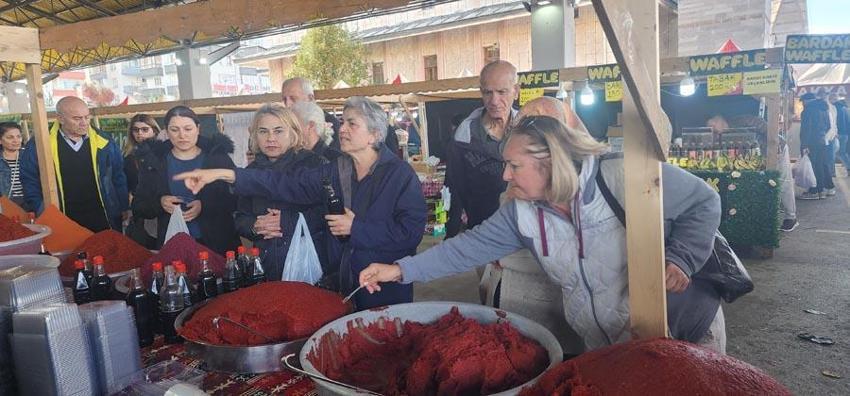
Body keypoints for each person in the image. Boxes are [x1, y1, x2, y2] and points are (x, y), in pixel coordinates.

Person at [358, 115, 726, 354]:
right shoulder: (522, 211)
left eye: (514, 166)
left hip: (683, 328)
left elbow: (704, 202)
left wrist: (682, 257)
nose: (505, 176)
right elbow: (465, 249)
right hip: (614, 342)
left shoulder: (622, 177)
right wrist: (399, 270)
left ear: (550, 162)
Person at [175, 96, 427, 309]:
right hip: (342, 279)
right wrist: (223, 174)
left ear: (373, 135)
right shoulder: (335, 170)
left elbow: (411, 233)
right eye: (342, 122)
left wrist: (356, 228)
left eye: (352, 124)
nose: (342, 129)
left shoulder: (399, 175)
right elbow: (285, 184)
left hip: (383, 283)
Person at [233, 104, 328, 281]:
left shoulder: (314, 164)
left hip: (308, 262)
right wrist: (255, 225)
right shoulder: (251, 171)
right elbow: (240, 218)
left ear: (293, 133)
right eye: (263, 131)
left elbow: (327, 213)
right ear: (254, 135)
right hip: (266, 263)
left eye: (278, 131)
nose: (270, 138)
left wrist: (287, 221)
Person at [132, 106, 239, 254]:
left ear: (198, 128)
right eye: (175, 130)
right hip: (173, 244)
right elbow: (138, 206)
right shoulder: (153, 162)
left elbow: (236, 199)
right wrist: (160, 203)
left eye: (188, 129)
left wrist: (204, 205)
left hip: (216, 243)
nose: (182, 135)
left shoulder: (217, 158)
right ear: (166, 131)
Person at [20, 96, 128, 232]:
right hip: (63, 218)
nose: (84, 123)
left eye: (86, 117)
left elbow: (118, 176)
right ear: (60, 118)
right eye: (77, 119)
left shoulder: (104, 141)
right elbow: (30, 180)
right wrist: (40, 208)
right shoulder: (40, 144)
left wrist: (123, 206)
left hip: (103, 216)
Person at [444, 61, 518, 238]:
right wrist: (451, 233)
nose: (494, 101)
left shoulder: (530, 131)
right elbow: (454, 187)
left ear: (516, 91)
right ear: (481, 93)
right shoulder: (463, 137)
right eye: (488, 93)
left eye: (502, 92)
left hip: (523, 232)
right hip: (482, 231)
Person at [124, 114, 161, 248]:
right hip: (140, 209)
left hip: (161, 206)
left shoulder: (162, 153)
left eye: (145, 129)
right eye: (136, 130)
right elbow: (128, 186)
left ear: (154, 131)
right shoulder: (129, 157)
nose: (140, 133)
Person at [281, 77, 340, 146]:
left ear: (310, 98)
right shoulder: (282, 123)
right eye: (284, 100)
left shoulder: (331, 124)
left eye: (293, 99)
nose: (287, 105)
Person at [799, 92, 834, 200]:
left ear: (807, 101)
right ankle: (821, 190)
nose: (803, 104)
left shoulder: (807, 111)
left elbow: (806, 129)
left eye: (803, 102)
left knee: (812, 167)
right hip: (822, 141)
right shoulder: (824, 109)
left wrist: (804, 145)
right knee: (820, 165)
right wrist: (821, 134)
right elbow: (829, 126)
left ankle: (815, 191)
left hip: (811, 142)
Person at [0, 122, 26, 209]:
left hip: (29, 203)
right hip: (6, 205)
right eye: (10, 137)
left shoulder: (29, 156)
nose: (16, 140)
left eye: (19, 136)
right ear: (0, 140)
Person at [830, 94, 850, 177]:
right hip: (845, 134)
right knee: (842, 153)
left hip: (839, 134)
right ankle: (848, 169)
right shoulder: (845, 108)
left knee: (833, 153)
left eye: (830, 99)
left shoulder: (836, 108)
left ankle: (832, 172)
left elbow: (838, 122)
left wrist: (837, 133)